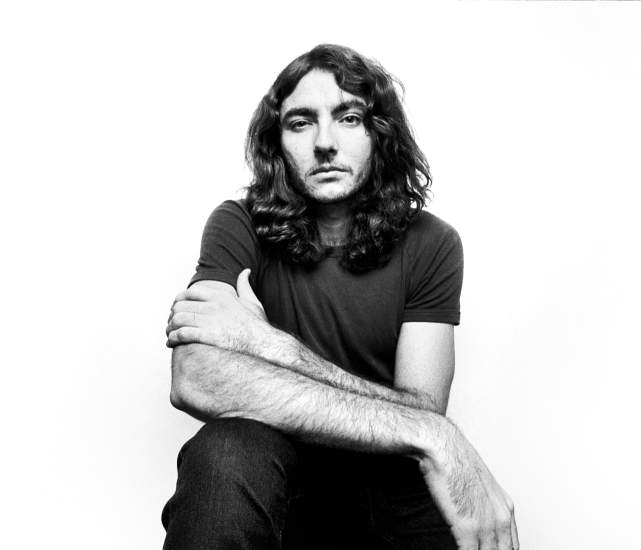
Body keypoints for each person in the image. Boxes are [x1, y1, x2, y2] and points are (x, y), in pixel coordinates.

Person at [162, 44, 518, 550]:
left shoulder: (432, 243)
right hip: (278, 480)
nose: (325, 143)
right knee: (224, 450)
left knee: (467, 512)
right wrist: (424, 429)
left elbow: (426, 410)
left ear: (379, 133)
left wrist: (269, 345)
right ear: (277, 143)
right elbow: (196, 377)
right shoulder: (238, 225)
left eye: (348, 118)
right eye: (301, 123)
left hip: (387, 485)